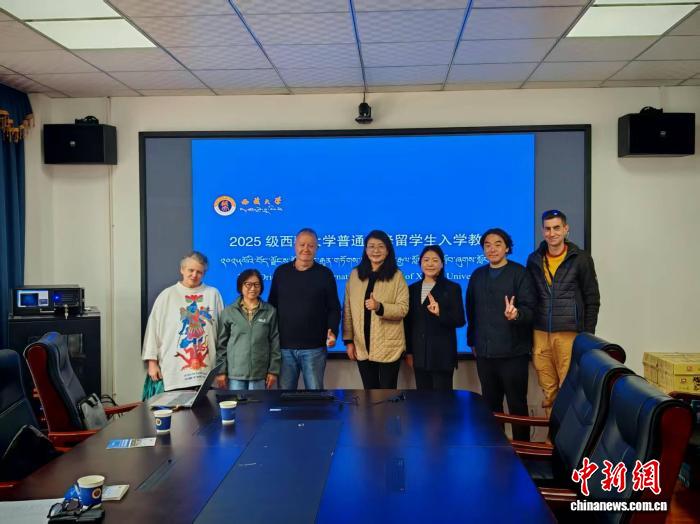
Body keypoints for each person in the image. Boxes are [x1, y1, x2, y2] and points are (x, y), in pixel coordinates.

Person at [527, 210, 600, 416]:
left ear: (566, 229)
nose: (552, 233)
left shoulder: (581, 259)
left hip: (569, 333)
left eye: (557, 228)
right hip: (540, 332)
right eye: (548, 229)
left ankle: (568, 435)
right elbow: (531, 297)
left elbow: (592, 299)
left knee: (569, 388)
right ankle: (553, 433)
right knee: (548, 391)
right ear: (543, 231)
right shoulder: (534, 259)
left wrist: (587, 336)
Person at [466, 229, 536, 441]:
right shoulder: (478, 275)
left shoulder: (520, 273)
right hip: (485, 353)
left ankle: (522, 450)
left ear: (507, 248)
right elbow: (471, 310)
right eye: (487, 245)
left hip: (513, 354)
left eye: (498, 244)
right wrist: (472, 340)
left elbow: (531, 309)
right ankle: (495, 449)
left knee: (517, 405)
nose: (492, 249)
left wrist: (516, 314)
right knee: (490, 404)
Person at [268, 228, 340, 390]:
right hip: (284, 348)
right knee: (285, 396)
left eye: (311, 245)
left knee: (315, 395)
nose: (306, 249)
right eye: (302, 245)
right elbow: (272, 307)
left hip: (314, 348)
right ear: (295, 246)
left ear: (317, 248)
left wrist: (333, 331)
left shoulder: (325, 274)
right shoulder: (281, 272)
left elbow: (334, 308)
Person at [142, 251, 223, 392]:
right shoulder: (167, 295)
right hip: (174, 373)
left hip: (206, 373)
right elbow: (153, 331)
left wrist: (222, 368)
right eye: (191, 270)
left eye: (199, 272)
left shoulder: (213, 294)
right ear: (182, 270)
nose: (194, 275)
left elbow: (223, 333)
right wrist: (152, 363)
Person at [343, 230, 409, 389]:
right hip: (362, 345)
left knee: (388, 393)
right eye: (371, 246)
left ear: (388, 250)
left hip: (389, 347)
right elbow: (347, 310)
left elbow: (403, 309)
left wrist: (380, 307)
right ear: (365, 250)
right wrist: (349, 341)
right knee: (369, 392)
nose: (376, 250)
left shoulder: (397, 276)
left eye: (381, 246)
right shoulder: (355, 275)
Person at [404, 245, 465, 391]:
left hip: (442, 356)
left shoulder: (452, 288)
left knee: (443, 401)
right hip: (419, 356)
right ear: (420, 263)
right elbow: (408, 324)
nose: (430, 264)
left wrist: (440, 313)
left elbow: (460, 320)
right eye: (426, 260)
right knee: (423, 399)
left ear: (442, 264)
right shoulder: (412, 289)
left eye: (435, 260)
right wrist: (409, 352)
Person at [215, 269, 280, 390]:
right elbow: (221, 345)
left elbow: (275, 343)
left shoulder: (270, 311)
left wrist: (273, 371)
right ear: (240, 286)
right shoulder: (229, 312)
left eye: (256, 284)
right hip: (235, 374)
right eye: (248, 284)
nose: (253, 288)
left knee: (257, 403)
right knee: (236, 402)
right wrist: (221, 371)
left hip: (260, 373)